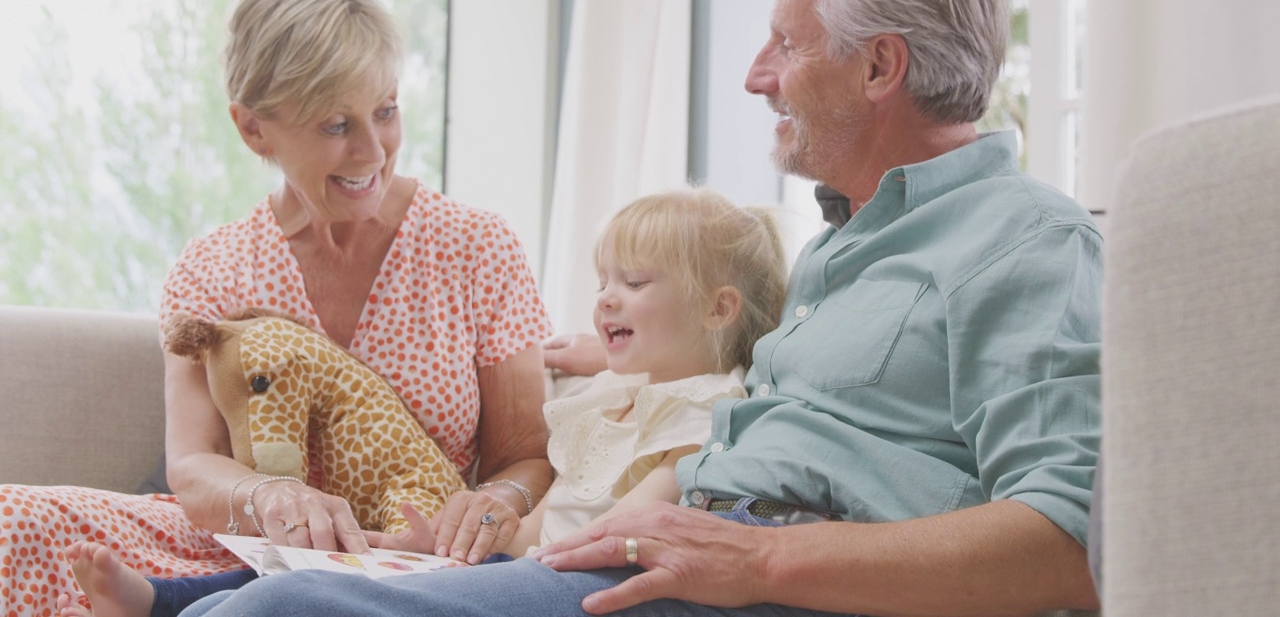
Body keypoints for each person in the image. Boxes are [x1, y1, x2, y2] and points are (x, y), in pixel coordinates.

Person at [179, 0, 1103, 617]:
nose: (755, 73)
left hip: (759, 569)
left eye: (787, 42)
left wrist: (761, 560)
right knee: (224, 604)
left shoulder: (1027, 242)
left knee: (276, 611)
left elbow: (1074, 540)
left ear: (879, 68)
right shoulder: (842, 251)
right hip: (682, 545)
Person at [0, 0, 556, 617]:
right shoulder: (213, 267)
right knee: (13, 519)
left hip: (412, 557)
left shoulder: (476, 248)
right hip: (236, 547)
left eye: (385, 111)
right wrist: (269, 497)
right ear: (253, 128)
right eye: (335, 125)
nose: (374, 151)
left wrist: (498, 503)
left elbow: (526, 456)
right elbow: (195, 467)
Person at [59, 187, 790, 617]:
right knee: (317, 568)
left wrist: (475, 557)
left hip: (575, 577)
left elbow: (629, 530)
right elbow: (535, 522)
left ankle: (164, 603)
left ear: (720, 309)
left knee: (302, 596)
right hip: (530, 561)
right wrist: (442, 541)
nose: (605, 297)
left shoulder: (707, 415)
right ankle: (171, 600)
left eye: (633, 282)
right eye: (604, 279)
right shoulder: (616, 398)